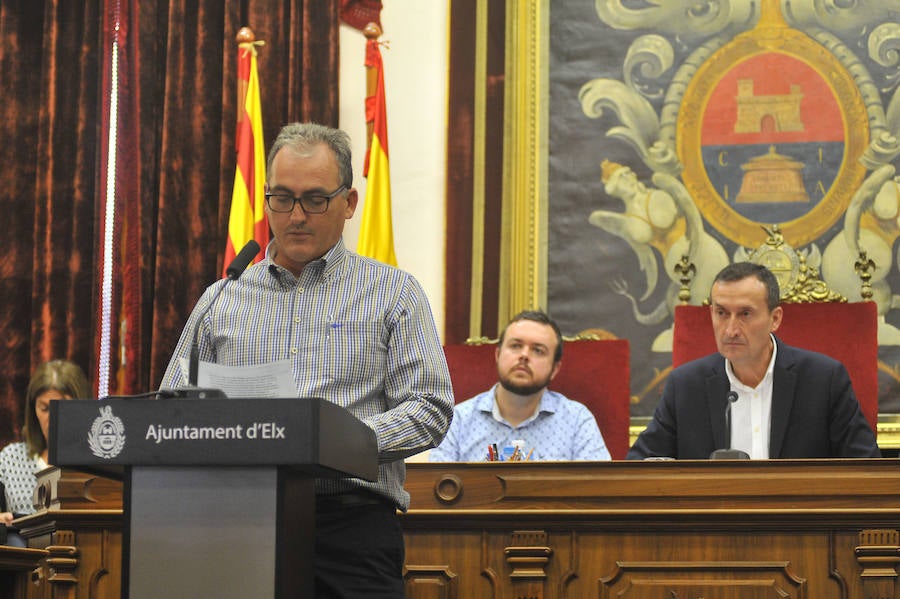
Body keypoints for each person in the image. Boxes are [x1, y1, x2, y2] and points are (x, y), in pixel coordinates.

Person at [159, 122, 453, 597]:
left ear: (349, 203)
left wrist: (330, 441)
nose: (296, 215)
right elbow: (171, 408)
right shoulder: (224, 296)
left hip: (351, 529)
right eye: (282, 197)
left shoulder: (393, 293)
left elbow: (430, 409)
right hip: (237, 525)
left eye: (315, 199)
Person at [627, 262, 880, 460]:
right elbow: (640, 471)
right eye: (721, 313)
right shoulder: (685, 386)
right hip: (713, 523)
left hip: (800, 523)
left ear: (775, 318)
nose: (730, 330)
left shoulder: (824, 381)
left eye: (745, 314)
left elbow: (865, 470)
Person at [429, 310, 611, 461]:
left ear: (555, 369)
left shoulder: (577, 421)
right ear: (497, 355)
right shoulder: (458, 421)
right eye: (515, 346)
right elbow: (437, 493)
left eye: (538, 350)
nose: (524, 356)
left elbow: (598, 494)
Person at [0, 359, 90, 543]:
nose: (53, 418)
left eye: (62, 408)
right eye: (45, 408)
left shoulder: (98, 463)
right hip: (23, 564)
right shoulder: (10, 459)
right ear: (34, 410)